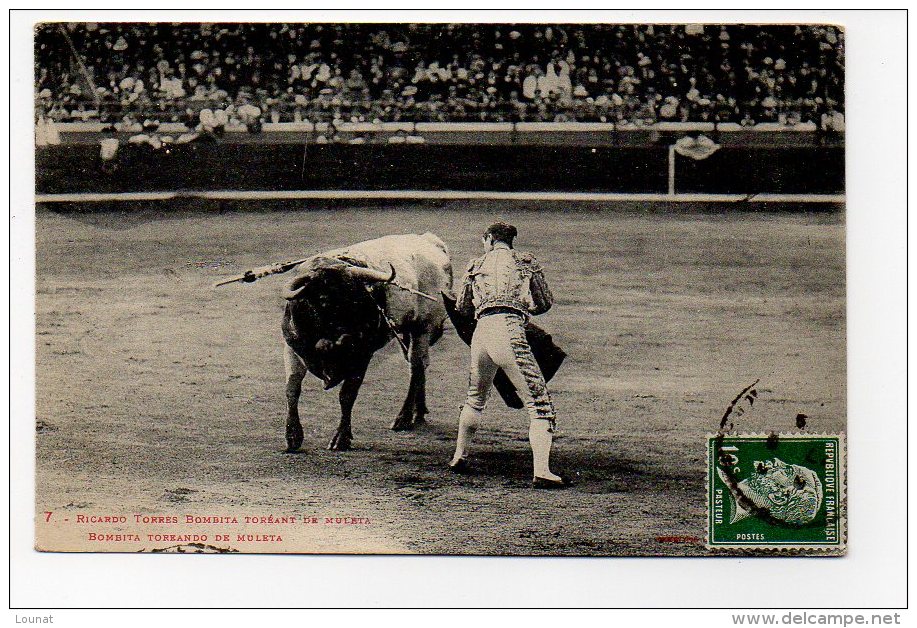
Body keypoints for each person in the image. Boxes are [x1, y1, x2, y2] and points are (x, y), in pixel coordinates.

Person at [450, 222, 570, 489]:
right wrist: (523, 307)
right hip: (510, 333)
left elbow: (462, 308)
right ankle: (542, 471)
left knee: (475, 398)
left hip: (481, 334)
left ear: (490, 239)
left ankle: (460, 456)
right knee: (539, 405)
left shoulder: (474, 265)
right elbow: (545, 302)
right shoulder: (525, 263)